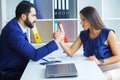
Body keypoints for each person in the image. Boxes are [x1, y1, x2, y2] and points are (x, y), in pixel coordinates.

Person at [0, 1, 64, 80]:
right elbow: (34, 55)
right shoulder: (14, 32)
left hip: (18, 69)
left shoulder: (16, 25)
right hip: (11, 75)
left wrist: (54, 40)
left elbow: (30, 51)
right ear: (23, 16)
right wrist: (57, 41)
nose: (35, 19)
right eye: (33, 16)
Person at [54, 6, 120, 80]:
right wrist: (60, 40)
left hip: (111, 67)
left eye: (83, 19)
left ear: (91, 19)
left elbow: (118, 57)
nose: (81, 23)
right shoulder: (83, 34)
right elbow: (70, 52)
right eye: (80, 19)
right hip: (93, 68)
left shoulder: (108, 33)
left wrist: (100, 62)